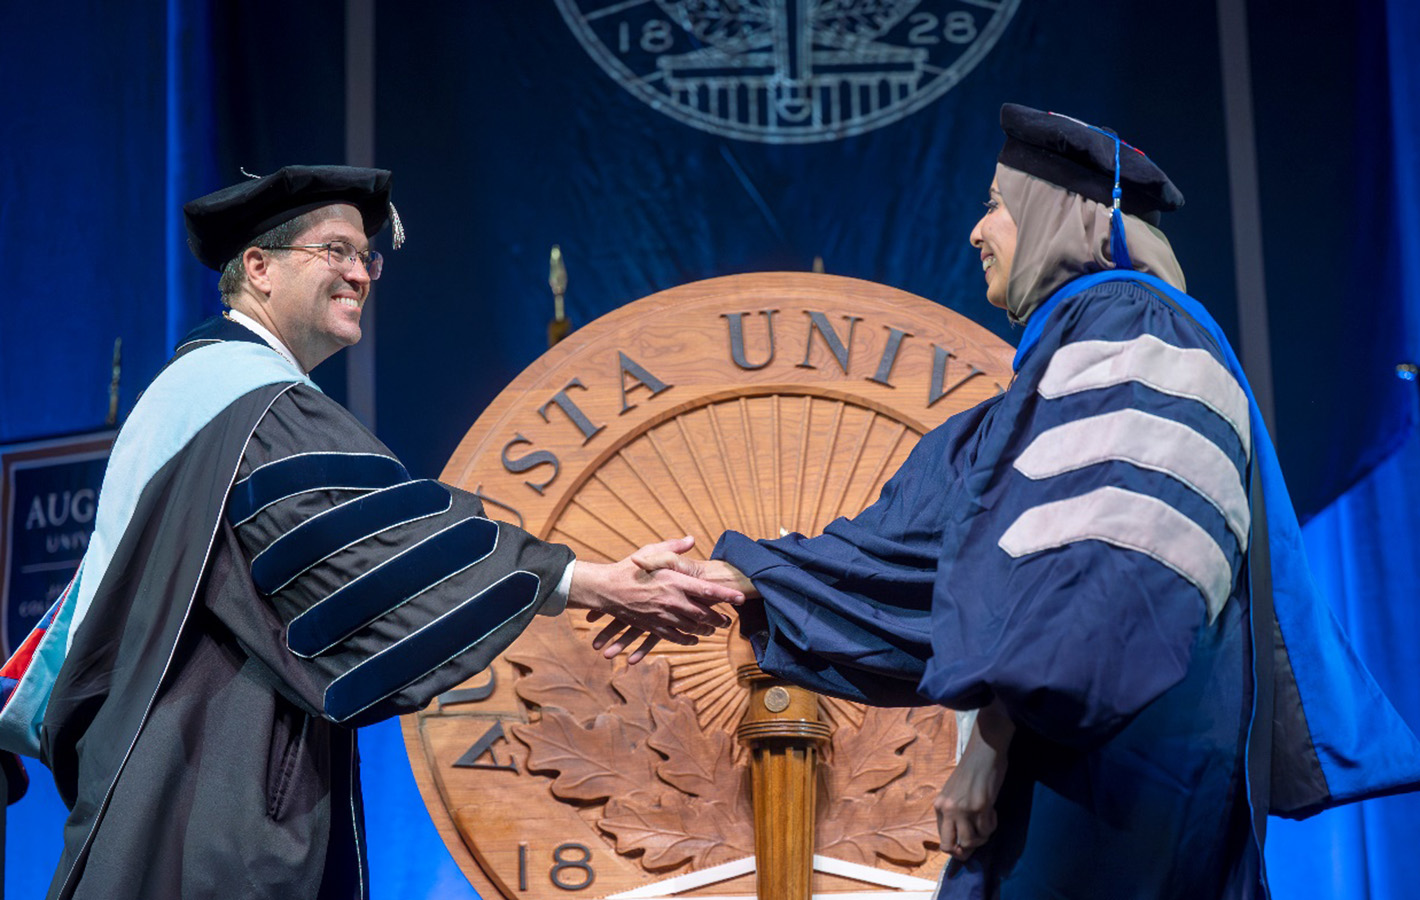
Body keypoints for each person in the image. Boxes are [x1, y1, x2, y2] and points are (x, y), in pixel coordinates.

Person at [612, 105, 1420, 898]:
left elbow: (1108, 571)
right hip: (1074, 776)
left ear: (1059, 215)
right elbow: (930, 548)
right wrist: (736, 579)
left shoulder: (1137, 327)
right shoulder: (1060, 367)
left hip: (1117, 780)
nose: (976, 231)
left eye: (997, 205)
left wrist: (990, 742)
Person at [0, 165, 742, 900]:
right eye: (335, 251)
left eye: (367, 256)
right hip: (207, 793)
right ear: (258, 267)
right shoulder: (249, 404)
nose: (360, 273)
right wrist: (586, 580)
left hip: (170, 778)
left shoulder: (198, 396)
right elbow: (371, 549)